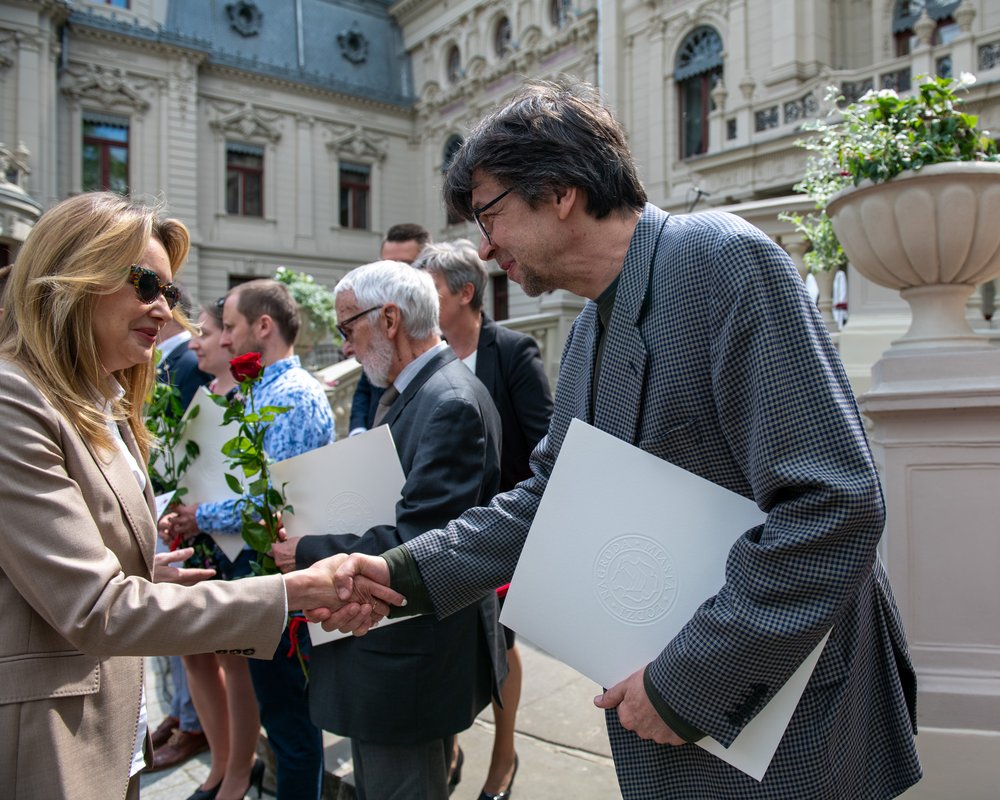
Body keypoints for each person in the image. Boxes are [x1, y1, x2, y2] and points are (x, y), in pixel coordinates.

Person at [327, 82, 922, 799]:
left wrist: (686, 683)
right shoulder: (587, 332)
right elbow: (549, 502)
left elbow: (834, 507)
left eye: (489, 214)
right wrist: (398, 576)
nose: (484, 247)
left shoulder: (723, 262)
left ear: (559, 191)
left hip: (786, 725)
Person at [0, 191, 399, 800]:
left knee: (289, 727)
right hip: (52, 742)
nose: (165, 312)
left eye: (171, 294)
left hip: (113, 719)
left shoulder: (95, 402)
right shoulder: (16, 402)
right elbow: (93, 607)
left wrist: (148, 569)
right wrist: (286, 592)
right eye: (145, 285)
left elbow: (274, 498)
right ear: (74, 271)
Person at [271, 260, 508, 800]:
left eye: (347, 328)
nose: (347, 347)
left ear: (391, 319)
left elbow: (419, 543)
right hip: (394, 650)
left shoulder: (447, 400)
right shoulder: (421, 391)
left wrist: (305, 548)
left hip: (408, 661)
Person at [161, 279, 335, 800]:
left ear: (265, 326)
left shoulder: (293, 396)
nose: (226, 340)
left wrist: (201, 514)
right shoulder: (257, 393)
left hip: (279, 587)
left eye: (232, 328)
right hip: (257, 582)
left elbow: (271, 500)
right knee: (281, 723)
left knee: (292, 728)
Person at [413, 239, 553, 799]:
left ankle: (504, 754)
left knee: (501, 641)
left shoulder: (513, 352)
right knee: (447, 639)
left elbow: (546, 442)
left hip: (503, 531)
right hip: (441, 533)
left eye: (430, 289)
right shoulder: (428, 357)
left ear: (465, 292)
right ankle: (448, 745)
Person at [165, 300, 265, 800]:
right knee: (196, 655)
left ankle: (239, 770)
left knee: (232, 658)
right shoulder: (201, 392)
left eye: (206, 332)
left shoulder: (250, 398)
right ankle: (219, 761)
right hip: (195, 542)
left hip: (230, 547)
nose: (199, 342)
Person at [147, 284, 214, 774]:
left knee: (182, 633)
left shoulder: (185, 367)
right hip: (166, 506)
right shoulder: (169, 362)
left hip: (181, 508)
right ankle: (180, 713)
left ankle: (193, 725)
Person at [348, 223, 430, 436]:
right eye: (386, 267)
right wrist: (358, 432)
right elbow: (365, 388)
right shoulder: (374, 327)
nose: (390, 278)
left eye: (403, 267)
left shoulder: (432, 334)